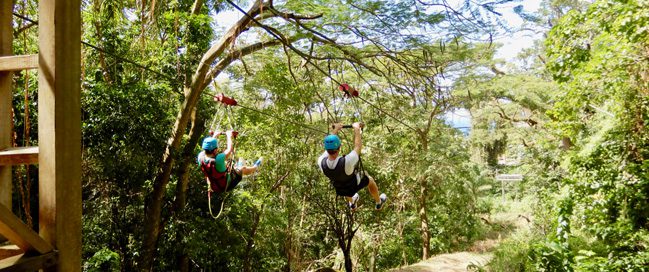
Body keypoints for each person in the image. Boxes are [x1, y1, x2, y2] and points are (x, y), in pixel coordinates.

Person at [318, 122, 387, 210]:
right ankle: (379, 202)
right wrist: (356, 129)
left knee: (342, 183)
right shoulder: (347, 161)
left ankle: (352, 203)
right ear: (339, 148)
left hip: (340, 188)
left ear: (327, 149)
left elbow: (329, 145)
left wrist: (335, 129)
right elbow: (358, 147)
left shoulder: (321, 162)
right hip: (353, 184)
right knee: (370, 180)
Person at [197, 130, 262, 193]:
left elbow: (208, 147)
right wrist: (229, 135)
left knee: (238, 162)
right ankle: (255, 167)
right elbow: (229, 149)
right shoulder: (218, 159)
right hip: (227, 185)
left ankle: (240, 164)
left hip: (214, 187)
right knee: (242, 169)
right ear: (214, 150)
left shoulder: (200, 157)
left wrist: (214, 136)